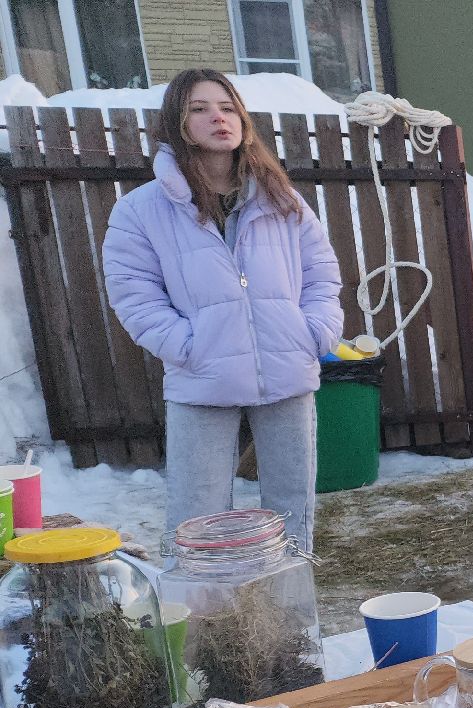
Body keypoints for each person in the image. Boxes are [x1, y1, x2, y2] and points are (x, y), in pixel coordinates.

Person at [103, 69, 342, 552]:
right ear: (177, 124)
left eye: (227, 107)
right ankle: (201, 621)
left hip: (286, 368)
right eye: (199, 109)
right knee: (196, 517)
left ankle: (287, 616)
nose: (218, 118)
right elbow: (134, 294)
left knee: (291, 512)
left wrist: (313, 332)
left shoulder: (281, 198)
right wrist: (187, 346)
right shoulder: (141, 211)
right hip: (201, 376)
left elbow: (322, 274)